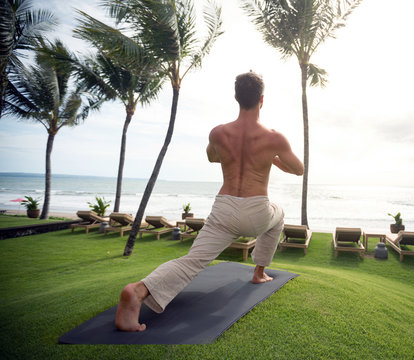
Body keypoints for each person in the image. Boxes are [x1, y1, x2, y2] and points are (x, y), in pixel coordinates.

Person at [115, 71, 304, 332]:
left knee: (192, 260)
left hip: (224, 208)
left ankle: (138, 291)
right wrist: (273, 159)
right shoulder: (275, 138)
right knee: (279, 214)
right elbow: (298, 169)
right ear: (262, 99)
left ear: (236, 97)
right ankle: (259, 272)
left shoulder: (218, 133)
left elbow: (212, 158)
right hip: (257, 210)